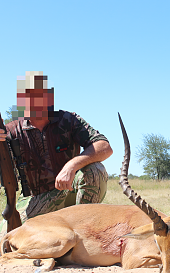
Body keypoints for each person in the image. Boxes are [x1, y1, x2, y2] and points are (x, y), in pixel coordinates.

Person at [0, 71, 113, 234]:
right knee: (5, 240)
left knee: (95, 171)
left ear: (48, 98)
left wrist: (71, 166)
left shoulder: (68, 120)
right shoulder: (11, 131)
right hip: (34, 202)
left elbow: (104, 146)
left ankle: (84, 233)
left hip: (68, 193)